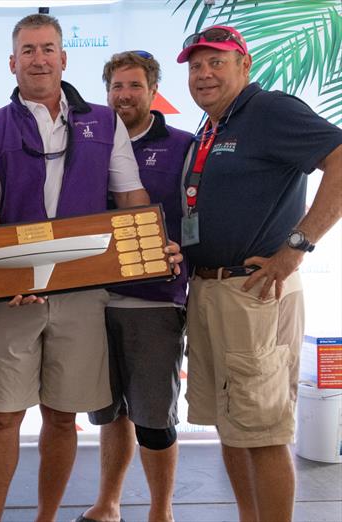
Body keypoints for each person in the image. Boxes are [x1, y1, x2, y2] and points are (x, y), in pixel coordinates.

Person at [0, 15, 180, 522]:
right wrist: (7, 277)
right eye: (28, 51)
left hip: (84, 292)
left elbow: (131, 197)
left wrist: (155, 242)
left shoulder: (105, 124)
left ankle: (45, 518)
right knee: (2, 418)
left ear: (64, 58)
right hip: (13, 294)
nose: (39, 59)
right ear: (12, 62)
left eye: (48, 49)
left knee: (62, 419)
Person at [177, 25, 342, 522]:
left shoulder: (269, 110)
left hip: (252, 292)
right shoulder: (213, 126)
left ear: (245, 66)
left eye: (216, 62)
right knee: (234, 425)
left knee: (264, 432)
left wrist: (296, 247)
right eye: (196, 65)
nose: (204, 73)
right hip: (209, 290)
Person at [79, 51, 192, 522]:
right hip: (94, 297)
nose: (124, 95)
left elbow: (196, 219)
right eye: (116, 87)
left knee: (153, 416)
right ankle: (108, 504)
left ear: (153, 90)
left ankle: (160, 512)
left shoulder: (184, 145)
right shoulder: (90, 141)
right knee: (110, 413)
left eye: (134, 86)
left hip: (155, 303)